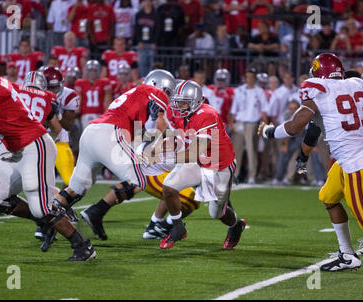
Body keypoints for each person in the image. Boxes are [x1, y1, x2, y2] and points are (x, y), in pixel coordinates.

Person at [0, 52, 93, 261]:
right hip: (17, 149)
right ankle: (45, 222)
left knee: (41, 207)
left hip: (35, 145)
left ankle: (82, 246)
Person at [259, 53, 363, 271]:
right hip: (362, 155)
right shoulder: (356, 84)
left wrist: (269, 132)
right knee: (328, 197)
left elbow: (294, 127)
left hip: (356, 161)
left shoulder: (317, 89)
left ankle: (352, 253)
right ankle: (347, 255)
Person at [53, 69, 176, 241]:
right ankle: (96, 212)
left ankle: (45, 225)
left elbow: (141, 134)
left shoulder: (134, 95)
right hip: (110, 133)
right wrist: (172, 140)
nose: (168, 97)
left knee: (76, 188)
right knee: (138, 180)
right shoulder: (154, 92)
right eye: (168, 91)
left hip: (91, 133)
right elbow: (161, 124)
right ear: (158, 85)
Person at [0, 71, 61, 222]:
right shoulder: (49, 97)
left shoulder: (13, 87)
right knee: (37, 188)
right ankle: (61, 208)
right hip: (36, 142)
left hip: (15, 139)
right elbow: (56, 125)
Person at [158, 80, 246, 249]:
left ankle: (236, 226)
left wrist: (162, 156)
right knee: (169, 186)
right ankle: (178, 227)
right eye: (177, 101)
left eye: (184, 102)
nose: (178, 106)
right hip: (198, 162)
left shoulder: (207, 115)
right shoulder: (176, 111)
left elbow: (193, 152)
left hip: (218, 165)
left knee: (216, 213)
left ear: (196, 102)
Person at [229, 68, 268, 184]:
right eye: (247, 77)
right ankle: (234, 175)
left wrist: (264, 125)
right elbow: (234, 108)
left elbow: (264, 110)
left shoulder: (259, 91)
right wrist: (232, 122)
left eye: (251, 77)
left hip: (252, 122)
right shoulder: (239, 90)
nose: (249, 79)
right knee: (236, 151)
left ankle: (252, 175)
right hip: (240, 122)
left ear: (254, 79)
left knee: (251, 150)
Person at [42, 67, 79, 188]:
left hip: (59, 138)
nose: (53, 90)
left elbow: (68, 125)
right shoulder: (35, 93)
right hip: (38, 136)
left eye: (56, 87)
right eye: (50, 87)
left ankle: (62, 204)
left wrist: (56, 114)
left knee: (70, 181)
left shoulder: (69, 95)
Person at [75, 60, 112, 130]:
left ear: (98, 71)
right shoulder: (80, 83)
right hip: (85, 115)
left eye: (94, 70)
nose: (92, 73)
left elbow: (107, 101)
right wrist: (76, 115)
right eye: (90, 70)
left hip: (100, 114)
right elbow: (78, 100)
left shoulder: (104, 82)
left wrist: (106, 116)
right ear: (86, 71)